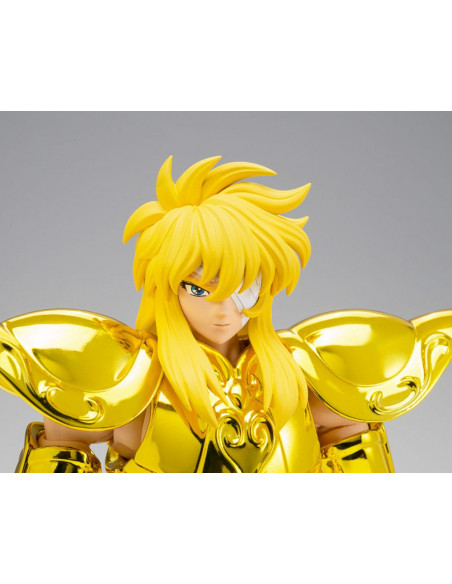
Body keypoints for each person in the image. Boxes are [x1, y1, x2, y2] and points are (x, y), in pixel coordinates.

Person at [1, 156, 450, 472]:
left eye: (244, 287)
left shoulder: (305, 378)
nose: (223, 309)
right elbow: (64, 450)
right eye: (197, 288)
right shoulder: (132, 382)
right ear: (166, 289)